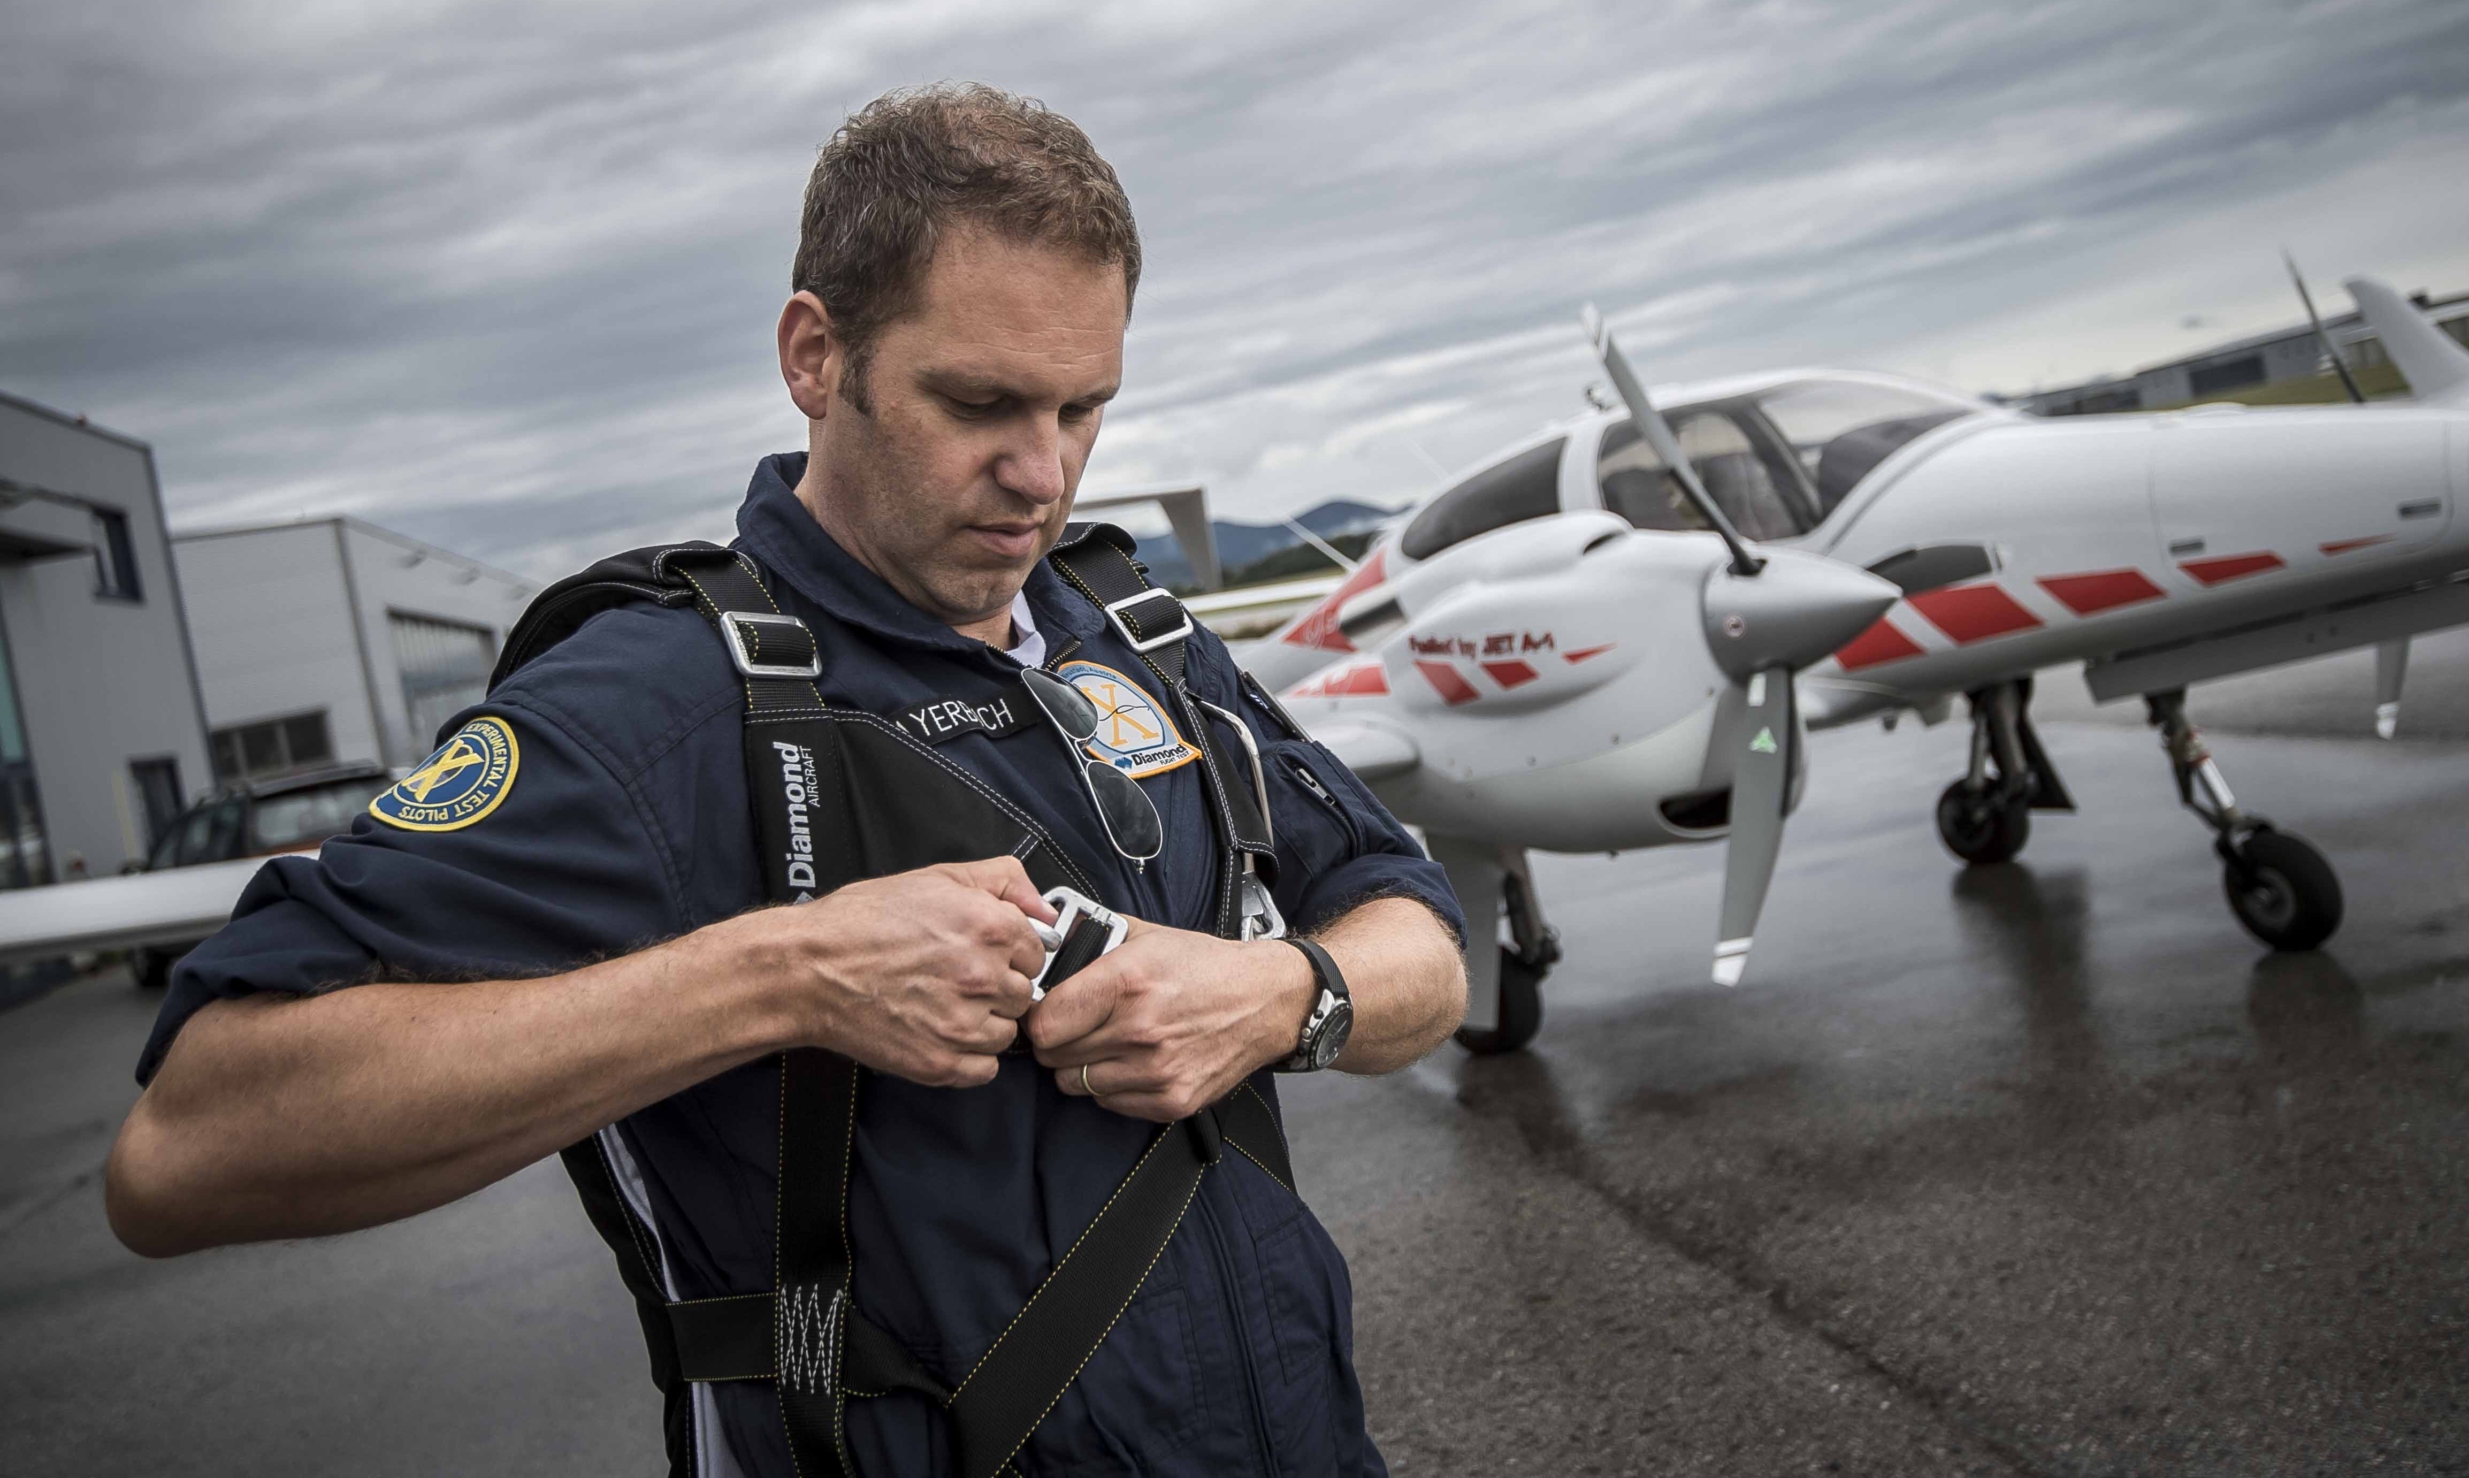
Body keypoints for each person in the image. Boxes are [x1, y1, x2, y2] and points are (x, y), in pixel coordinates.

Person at [105, 83, 1469, 1477]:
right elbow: (188, 1144)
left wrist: (1279, 995)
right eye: (978, 403)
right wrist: (779, 976)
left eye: (1084, 409)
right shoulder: (658, 704)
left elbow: (1417, 932)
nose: (1041, 475)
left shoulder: (1140, 639)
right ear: (817, 356)